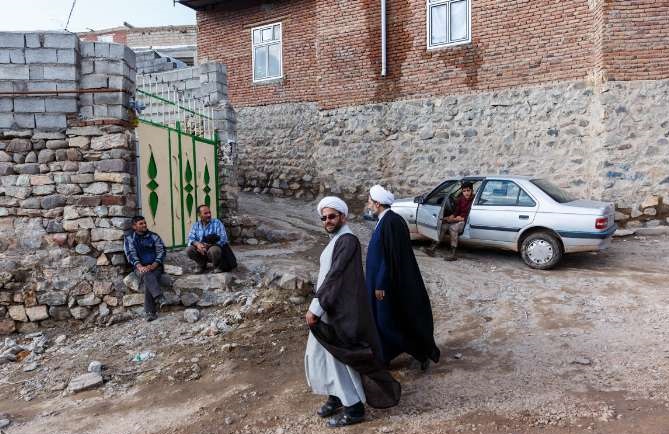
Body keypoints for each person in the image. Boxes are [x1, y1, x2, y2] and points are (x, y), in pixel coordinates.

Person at [305, 196, 400, 428]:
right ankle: (335, 397)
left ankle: (354, 408)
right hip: (329, 307)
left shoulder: (347, 240)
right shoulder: (336, 240)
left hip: (337, 312)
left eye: (332, 216)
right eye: (324, 217)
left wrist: (316, 307)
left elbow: (334, 276)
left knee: (340, 361)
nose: (328, 220)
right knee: (321, 356)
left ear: (343, 217)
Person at [366, 185, 440, 370]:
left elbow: (389, 257)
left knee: (386, 323)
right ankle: (384, 357)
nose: (368, 204)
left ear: (377, 204)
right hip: (379, 283)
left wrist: (381, 284)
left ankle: (420, 352)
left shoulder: (391, 222)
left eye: (369, 201)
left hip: (384, 286)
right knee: (382, 321)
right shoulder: (385, 220)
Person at [123, 215, 167, 322]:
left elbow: (161, 251)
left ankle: (150, 312)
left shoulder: (154, 236)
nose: (144, 225)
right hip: (140, 268)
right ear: (134, 226)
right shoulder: (130, 239)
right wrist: (140, 266)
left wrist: (154, 265)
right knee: (147, 275)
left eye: (145, 223)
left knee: (149, 279)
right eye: (141, 224)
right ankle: (159, 297)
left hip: (155, 267)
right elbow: (130, 254)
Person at [186, 205, 237, 273]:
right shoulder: (196, 225)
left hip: (213, 248)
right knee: (189, 250)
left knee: (214, 250)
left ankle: (217, 266)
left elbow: (223, 238)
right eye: (205, 213)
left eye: (209, 212)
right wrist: (197, 244)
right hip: (201, 250)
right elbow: (190, 238)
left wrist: (208, 245)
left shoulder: (217, 223)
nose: (209, 215)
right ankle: (201, 265)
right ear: (199, 215)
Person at [441, 181, 475, 261]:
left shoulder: (473, 200)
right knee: (443, 226)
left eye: (468, 190)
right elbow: (457, 211)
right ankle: (433, 247)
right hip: (458, 219)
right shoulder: (460, 199)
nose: (466, 193)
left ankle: (453, 254)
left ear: (472, 191)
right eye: (464, 191)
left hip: (465, 221)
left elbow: (469, 215)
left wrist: (458, 219)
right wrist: (451, 217)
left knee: (453, 228)